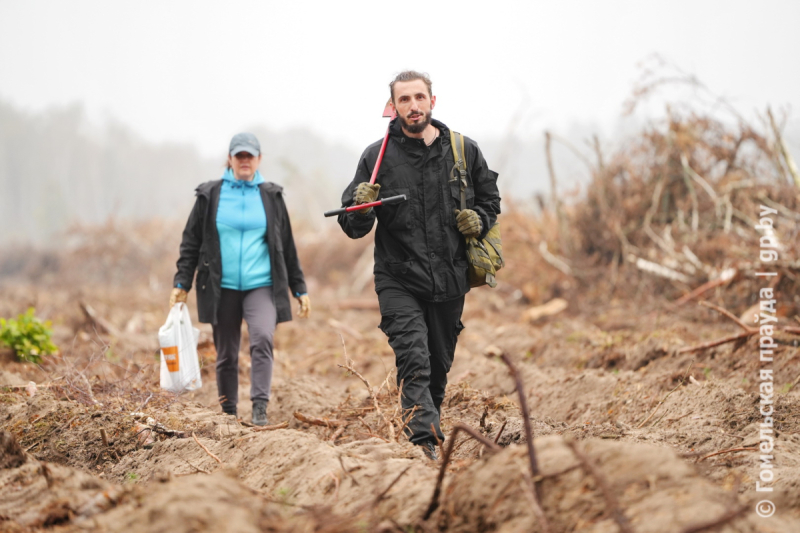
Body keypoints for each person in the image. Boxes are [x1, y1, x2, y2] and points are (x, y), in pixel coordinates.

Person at [337, 71, 501, 460]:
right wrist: (361, 206)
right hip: (398, 277)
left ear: (432, 101)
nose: (413, 106)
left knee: (439, 363)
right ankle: (423, 441)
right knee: (414, 356)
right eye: (405, 100)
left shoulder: (464, 151)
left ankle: (430, 422)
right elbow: (351, 226)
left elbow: (491, 202)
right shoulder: (376, 157)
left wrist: (479, 218)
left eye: (419, 98)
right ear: (393, 107)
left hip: (450, 276)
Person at [170, 132, 310, 426]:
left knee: (262, 337)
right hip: (222, 287)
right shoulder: (210, 195)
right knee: (226, 354)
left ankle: (260, 407)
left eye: (250, 156)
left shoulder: (271, 196)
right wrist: (181, 284)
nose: (245, 161)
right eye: (239, 156)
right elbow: (191, 242)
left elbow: (286, 243)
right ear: (230, 159)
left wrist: (299, 288)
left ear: (259, 160)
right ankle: (228, 412)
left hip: (261, 285)